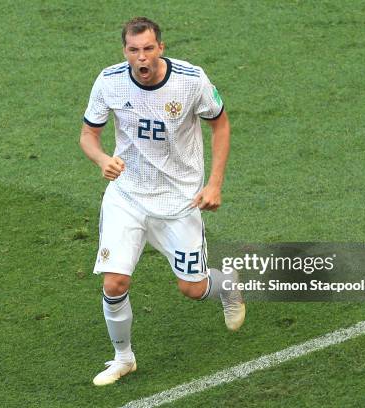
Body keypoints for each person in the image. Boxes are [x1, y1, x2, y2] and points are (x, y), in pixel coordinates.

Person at [79, 17, 245, 386]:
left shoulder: (190, 80)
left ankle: (227, 286)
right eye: (134, 50)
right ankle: (123, 358)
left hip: (179, 201)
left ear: (161, 48)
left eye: (148, 48)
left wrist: (215, 183)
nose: (142, 57)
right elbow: (89, 134)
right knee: (114, 283)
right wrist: (102, 159)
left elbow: (220, 124)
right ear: (125, 51)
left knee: (193, 289)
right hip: (128, 197)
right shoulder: (109, 81)